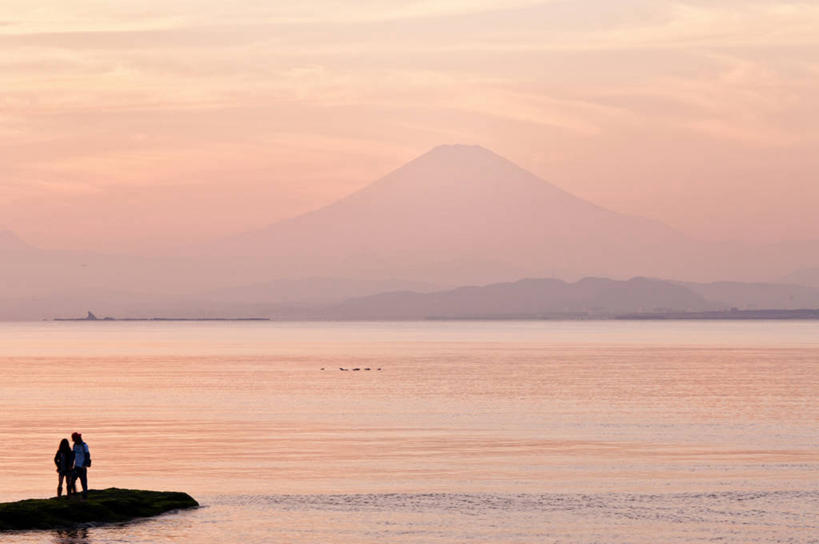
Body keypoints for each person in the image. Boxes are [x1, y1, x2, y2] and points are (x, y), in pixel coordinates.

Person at [70, 432, 91, 499]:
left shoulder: (84, 445)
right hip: (76, 466)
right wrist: (71, 465)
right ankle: (75, 493)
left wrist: (84, 465)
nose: (74, 440)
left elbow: (87, 455)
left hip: (82, 467)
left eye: (74, 439)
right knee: (72, 481)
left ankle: (85, 495)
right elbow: (73, 456)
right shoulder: (74, 445)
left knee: (83, 482)